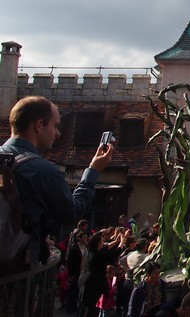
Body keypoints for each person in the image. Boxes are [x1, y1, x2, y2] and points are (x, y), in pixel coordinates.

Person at [0, 96, 113, 262]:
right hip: (17, 271)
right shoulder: (43, 171)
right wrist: (93, 170)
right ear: (39, 125)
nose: (58, 133)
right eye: (55, 126)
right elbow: (71, 212)